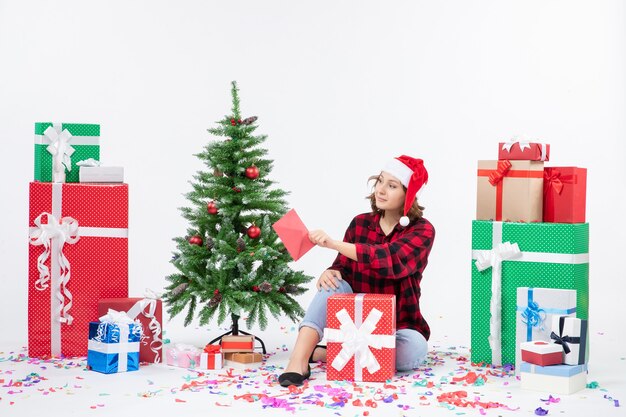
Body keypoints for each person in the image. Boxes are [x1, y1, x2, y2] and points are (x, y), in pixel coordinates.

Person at [278, 155, 436, 387]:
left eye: (391, 186)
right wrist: (331, 271)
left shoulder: (423, 230)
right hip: (356, 322)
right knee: (333, 283)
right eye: (380, 181)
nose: (381, 190)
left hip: (399, 326)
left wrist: (333, 243)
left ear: (408, 196)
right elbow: (344, 267)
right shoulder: (360, 223)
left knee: (414, 349)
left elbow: (390, 259)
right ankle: (298, 360)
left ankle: (325, 354)